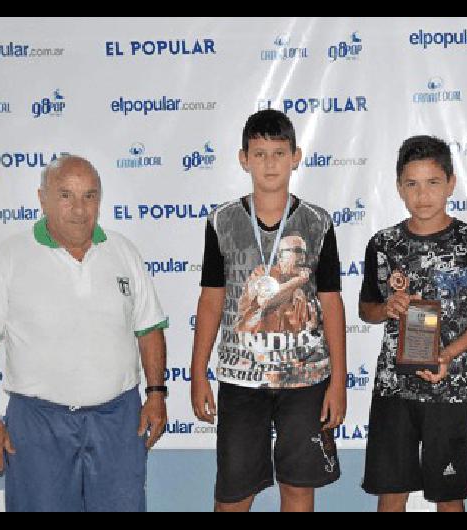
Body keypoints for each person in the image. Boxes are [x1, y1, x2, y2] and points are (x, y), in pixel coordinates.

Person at [0, 155, 169, 512]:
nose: (79, 209)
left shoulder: (123, 253)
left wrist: (155, 394)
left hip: (117, 421)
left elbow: (149, 329)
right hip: (38, 423)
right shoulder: (9, 258)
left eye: (89, 196)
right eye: (66, 196)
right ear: (42, 199)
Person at [190, 109, 346, 512]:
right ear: (244, 159)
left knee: (297, 489)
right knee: (233, 495)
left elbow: (330, 302)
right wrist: (197, 374)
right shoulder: (222, 221)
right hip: (241, 379)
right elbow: (211, 300)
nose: (270, 163)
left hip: (306, 380)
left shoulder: (318, 222)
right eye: (259, 154)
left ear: (296, 156)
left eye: (279, 153)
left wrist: (339, 382)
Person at [358, 135, 467, 512]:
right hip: (393, 388)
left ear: (451, 183)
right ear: (399, 188)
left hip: (449, 388)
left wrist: (448, 353)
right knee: (391, 493)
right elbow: (365, 310)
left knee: (449, 496)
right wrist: (387, 308)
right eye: (412, 184)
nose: (423, 194)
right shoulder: (383, 243)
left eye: (433, 182)